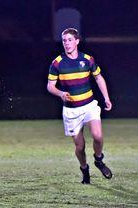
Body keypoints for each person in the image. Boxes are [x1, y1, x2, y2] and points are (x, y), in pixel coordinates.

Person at [47, 28, 112, 184]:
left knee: (97, 135)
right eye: (64, 40)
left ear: (77, 41)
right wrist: (61, 93)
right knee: (80, 147)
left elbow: (99, 78)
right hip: (71, 111)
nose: (67, 43)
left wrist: (106, 98)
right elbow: (50, 86)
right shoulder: (57, 63)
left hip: (89, 105)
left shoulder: (87, 59)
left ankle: (99, 159)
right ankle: (84, 169)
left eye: (70, 40)